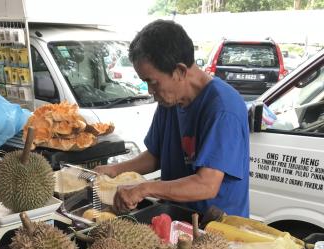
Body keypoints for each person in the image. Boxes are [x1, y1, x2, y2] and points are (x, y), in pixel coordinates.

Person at [94, 19, 250, 217]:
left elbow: (207, 185)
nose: (150, 91)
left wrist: (144, 188)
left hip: (216, 231)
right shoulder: (169, 101)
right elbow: (155, 156)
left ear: (180, 71)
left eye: (152, 82)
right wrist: (113, 170)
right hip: (174, 218)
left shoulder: (223, 109)